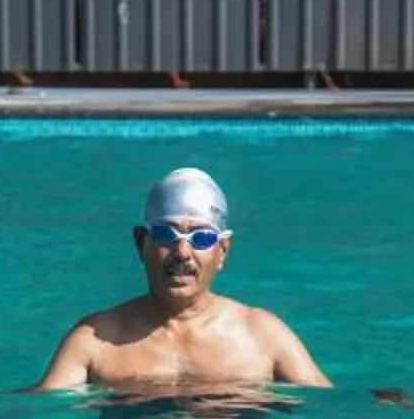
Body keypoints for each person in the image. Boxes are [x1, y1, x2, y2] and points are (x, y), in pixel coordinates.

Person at [34, 168, 332, 394]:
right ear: (141, 242)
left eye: (201, 238)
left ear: (222, 250)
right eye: (166, 234)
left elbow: (327, 411)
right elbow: (42, 415)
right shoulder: (95, 340)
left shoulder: (263, 335)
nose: (182, 252)